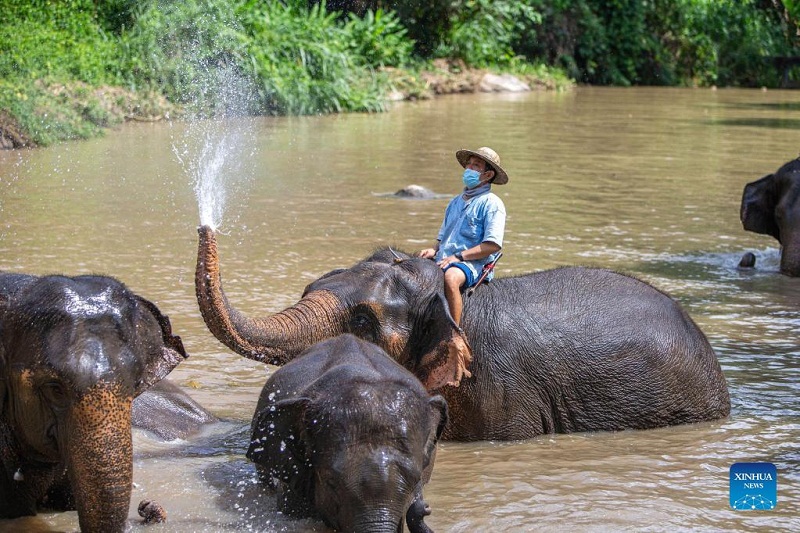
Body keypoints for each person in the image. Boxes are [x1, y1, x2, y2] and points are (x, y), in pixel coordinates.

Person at [417, 146, 508, 326]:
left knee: (451, 278)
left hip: (473, 263)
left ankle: (453, 332)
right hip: (446, 257)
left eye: (476, 166)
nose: (469, 170)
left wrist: (458, 257)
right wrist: (433, 249)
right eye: (469, 165)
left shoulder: (492, 204)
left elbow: (492, 245)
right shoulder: (455, 202)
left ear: (488, 175)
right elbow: (444, 237)